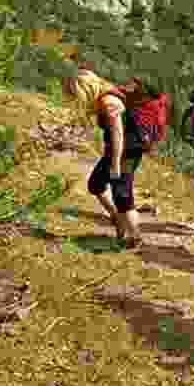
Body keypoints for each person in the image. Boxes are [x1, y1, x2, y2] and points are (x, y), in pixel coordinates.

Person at [62, 67, 143, 249]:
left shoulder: (109, 102)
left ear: (86, 89)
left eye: (77, 94)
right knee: (95, 184)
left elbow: (118, 135)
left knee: (122, 194)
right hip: (115, 149)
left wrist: (115, 164)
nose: (77, 98)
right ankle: (117, 219)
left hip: (126, 151)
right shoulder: (101, 98)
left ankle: (134, 237)